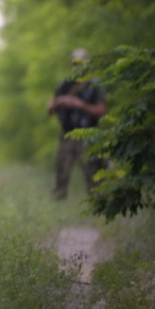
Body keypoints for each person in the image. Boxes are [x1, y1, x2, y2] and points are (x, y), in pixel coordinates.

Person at [47, 48, 108, 200]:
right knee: (61, 171)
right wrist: (59, 103)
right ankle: (59, 203)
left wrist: (80, 104)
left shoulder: (95, 85)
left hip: (88, 135)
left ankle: (98, 204)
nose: (78, 66)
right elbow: (50, 109)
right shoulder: (65, 85)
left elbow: (101, 110)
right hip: (67, 134)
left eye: (81, 63)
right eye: (75, 63)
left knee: (93, 173)